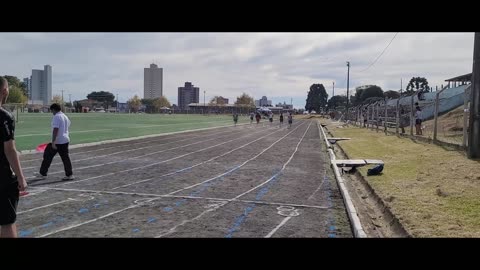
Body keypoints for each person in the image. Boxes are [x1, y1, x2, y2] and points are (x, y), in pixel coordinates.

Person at [0, 77, 27, 238]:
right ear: (4, 91)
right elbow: (9, 150)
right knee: (7, 222)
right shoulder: (4, 117)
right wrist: (21, 177)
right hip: (2, 178)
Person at [37, 103, 74, 180]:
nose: (52, 113)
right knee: (65, 158)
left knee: (47, 156)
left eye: (52, 111)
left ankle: (43, 173)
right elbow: (68, 126)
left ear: (53, 109)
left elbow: (55, 130)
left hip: (58, 141)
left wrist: (53, 142)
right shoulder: (65, 116)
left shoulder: (57, 117)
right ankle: (69, 174)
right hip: (65, 140)